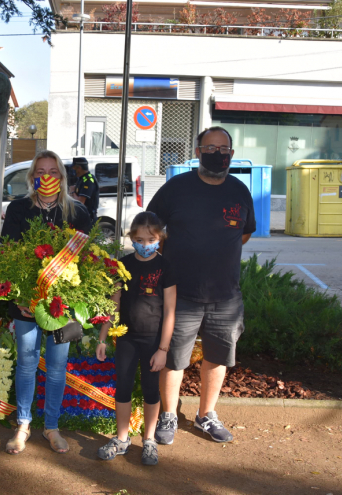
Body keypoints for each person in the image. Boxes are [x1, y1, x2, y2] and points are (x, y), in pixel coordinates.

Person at [147, 126, 255, 444]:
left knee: (217, 357)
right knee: (173, 357)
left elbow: (245, 232)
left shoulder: (239, 190)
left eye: (223, 149)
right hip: (181, 293)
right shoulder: (176, 188)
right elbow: (150, 226)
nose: (217, 154)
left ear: (231, 155)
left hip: (226, 296)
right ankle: (168, 415)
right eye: (210, 148)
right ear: (197, 152)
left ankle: (206, 415)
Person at [0, 150, 92, 455]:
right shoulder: (18, 209)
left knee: (56, 366)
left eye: (54, 171)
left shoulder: (78, 213)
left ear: (63, 178)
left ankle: (52, 427)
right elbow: (8, 254)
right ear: (32, 177)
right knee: (26, 363)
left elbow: (89, 263)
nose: (47, 176)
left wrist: (71, 301)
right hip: (27, 303)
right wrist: (23, 297)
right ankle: (23, 424)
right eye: (41, 171)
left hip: (63, 308)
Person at [96, 212, 177, 466]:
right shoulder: (124, 264)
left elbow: (170, 311)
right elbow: (114, 303)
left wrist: (163, 349)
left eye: (150, 238)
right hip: (127, 338)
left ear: (159, 238)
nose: (144, 243)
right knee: (123, 385)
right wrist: (102, 337)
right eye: (139, 238)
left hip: (154, 341)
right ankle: (122, 439)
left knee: (152, 389)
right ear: (131, 237)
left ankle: (150, 440)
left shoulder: (166, 267)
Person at [71, 157, 99, 224]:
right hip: (81, 216)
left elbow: (80, 202)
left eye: (74, 168)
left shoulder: (88, 180)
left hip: (88, 218)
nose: (73, 170)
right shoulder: (81, 179)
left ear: (79, 168)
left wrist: (72, 191)